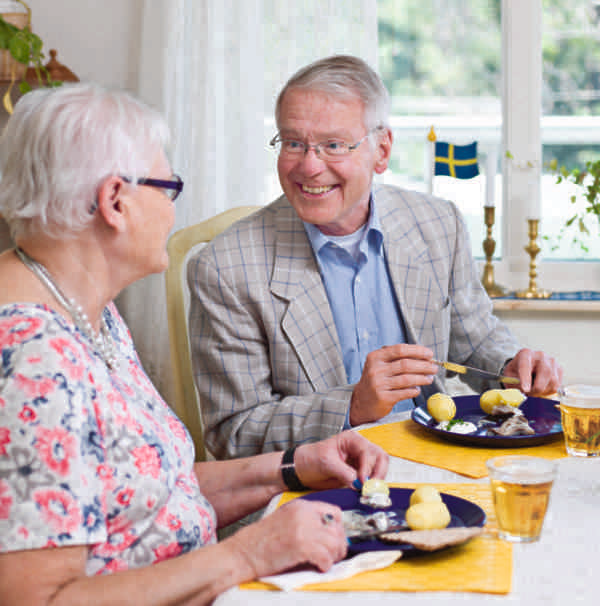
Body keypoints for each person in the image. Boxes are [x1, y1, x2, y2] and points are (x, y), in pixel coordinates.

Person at [0, 83, 390, 605]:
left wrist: (294, 465)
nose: (171, 211)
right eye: (168, 189)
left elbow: (158, 491)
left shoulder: (87, 311)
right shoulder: (32, 358)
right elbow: (38, 601)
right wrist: (248, 553)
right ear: (115, 201)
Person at [188, 54, 563, 460]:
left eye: (333, 145)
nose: (309, 167)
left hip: (437, 464)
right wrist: (352, 405)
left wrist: (511, 367)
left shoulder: (439, 224)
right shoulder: (225, 268)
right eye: (294, 143)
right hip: (314, 491)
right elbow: (234, 433)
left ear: (381, 149)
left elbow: (476, 342)